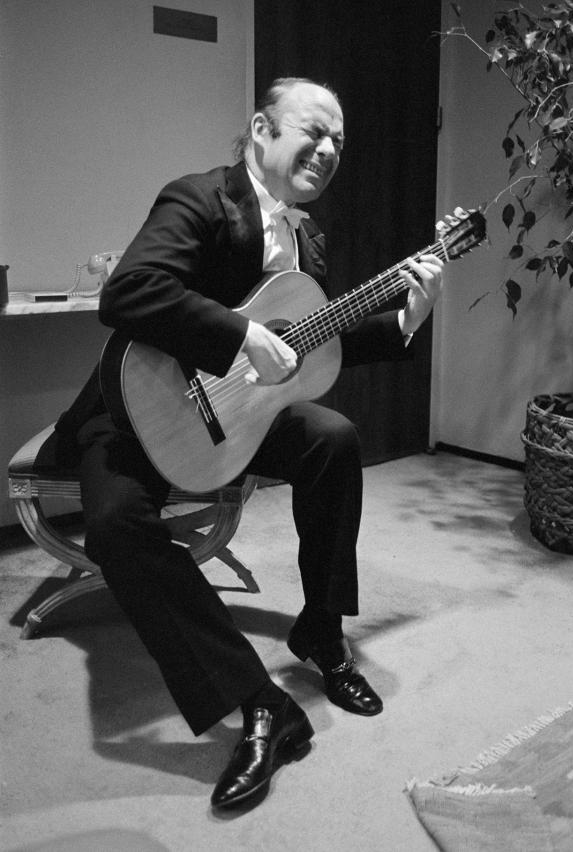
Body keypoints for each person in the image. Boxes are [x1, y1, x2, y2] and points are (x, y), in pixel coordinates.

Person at [54, 77, 444, 810]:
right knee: (113, 525)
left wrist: (404, 321)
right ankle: (261, 702)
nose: (328, 150)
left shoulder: (307, 237)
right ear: (262, 129)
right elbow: (128, 293)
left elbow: (308, 346)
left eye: (338, 141)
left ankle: (322, 634)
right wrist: (241, 333)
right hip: (139, 406)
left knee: (332, 437)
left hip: (239, 415)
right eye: (314, 131)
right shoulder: (199, 199)